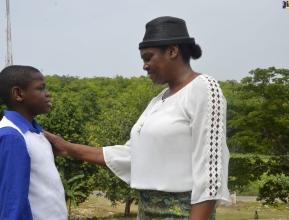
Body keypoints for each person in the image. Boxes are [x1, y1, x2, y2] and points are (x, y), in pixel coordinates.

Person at [44, 16, 232, 219]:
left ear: (172, 51)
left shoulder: (203, 87)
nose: (145, 66)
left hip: (181, 213)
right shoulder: (159, 100)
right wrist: (68, 148)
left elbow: (210, 170)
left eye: (148, 57)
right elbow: (132, 156)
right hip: (147, 211)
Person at [0, 65, 68, 220]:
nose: (47, 94)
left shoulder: (33, 132)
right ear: (18, 94)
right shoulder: (10, 136)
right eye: (41, 88)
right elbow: (12, 205)